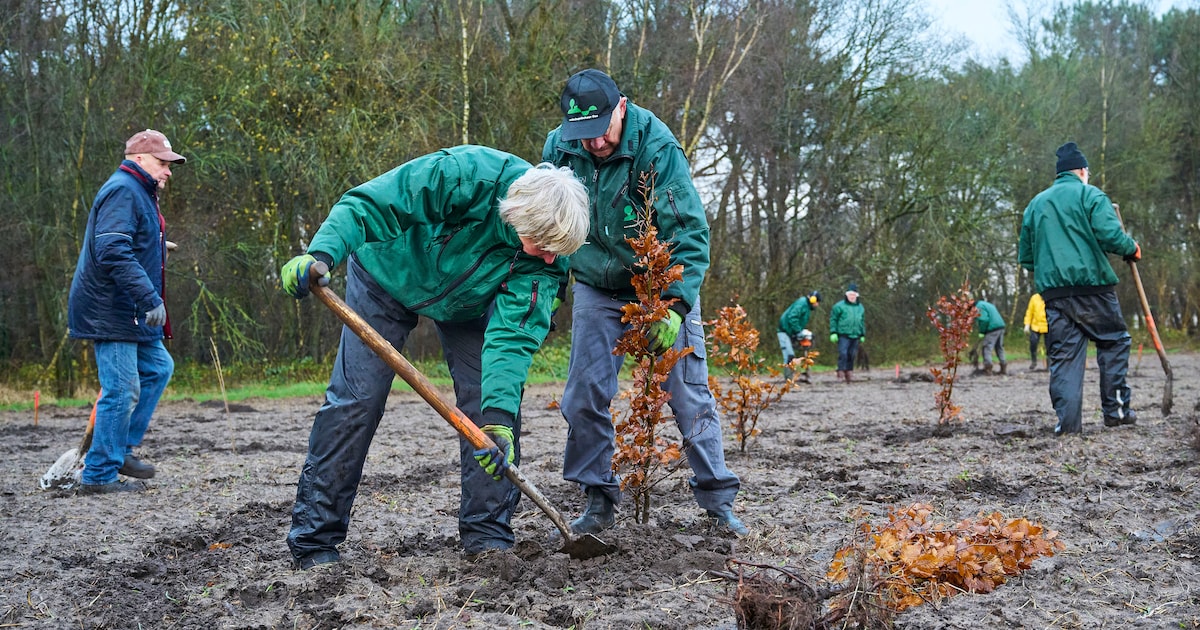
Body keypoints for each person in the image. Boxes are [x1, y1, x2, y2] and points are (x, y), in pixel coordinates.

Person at [280, 146, 590, 569]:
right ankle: (315, 540)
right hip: (386, 273)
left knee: (491, 414)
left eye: (560, 251)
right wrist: (321, 254)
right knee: (357, 401)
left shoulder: (548, 261)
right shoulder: (464, 175)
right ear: (517, 218)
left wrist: (497, 416)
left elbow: (512, 337)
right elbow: (370, 203)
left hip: (469, 304)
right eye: (545, 247)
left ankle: (488, 535)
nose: (553, 258)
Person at [542, 69, 747, 537]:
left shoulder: (657, 147)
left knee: (689, 394)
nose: (593, 144)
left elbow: (690, 233)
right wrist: (550, 295)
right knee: (584, 394)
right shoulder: (559, 147)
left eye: (600, 132)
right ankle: (597, 498)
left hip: (657, 282)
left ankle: (719, 504)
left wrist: (675, 306)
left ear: (621, 107)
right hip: (595, 282)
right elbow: (549, 225)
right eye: (583, 135)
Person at [67, 129, 185, 495]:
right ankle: (99, 475)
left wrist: (156, 245)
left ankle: (119, 451)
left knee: (159, 368)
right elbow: (113, 251)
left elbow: (125, 240)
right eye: (163, 162)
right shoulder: (123, 189)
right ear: (139, 159)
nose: (169, 171)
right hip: (113, 309)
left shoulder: (140, 192)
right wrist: (150, 297)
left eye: (170, 164)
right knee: (121, 388)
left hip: (129, 308)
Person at [1018, 141, 1140, 435]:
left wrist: (1053, 272)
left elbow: (1027, 259)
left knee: (1064, 359)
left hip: (1055, 296)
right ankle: (1116, 412)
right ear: (1083, 170)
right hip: (1094, 289)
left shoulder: (1035, 205)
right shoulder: (1091, 195)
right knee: (1113, 342)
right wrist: (1131, 247)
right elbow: (1111, 236)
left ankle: (1068, 425)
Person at [777, 291, 821, 382]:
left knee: (798, 352)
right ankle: (788, 379)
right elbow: (793, 317)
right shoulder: (802, 304)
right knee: (789, 355)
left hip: (790, 331)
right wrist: (799, 331)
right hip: (784, 331)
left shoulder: (806, 306)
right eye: (817, 302)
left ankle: (798, 374)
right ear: (813, 300)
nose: (817, 305)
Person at [828, 284, 865, 383]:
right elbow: (833, 319)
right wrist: (833, 332)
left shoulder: (860, 307)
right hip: (843, 334)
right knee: (843, 353)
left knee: (852, 354)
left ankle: (849, 372)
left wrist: (862, 334)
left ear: (856, 296)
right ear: (846, 295)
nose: (852, 297)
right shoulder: (839, 306)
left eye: (853, 295)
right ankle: (840, 372)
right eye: (850, 295)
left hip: (855, 334)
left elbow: (861, 321)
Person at [973, 299, 1007, 375]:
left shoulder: (979, 306)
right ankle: (1003, 367)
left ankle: (988, 369)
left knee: (987, 348)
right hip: (1001, 326)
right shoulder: (987, 304)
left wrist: (982, 332)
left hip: (992, 328)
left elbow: (984, 320)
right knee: (999, 347)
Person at [1023, 292, 1049, 371]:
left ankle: (1049, 364)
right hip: (1036, 326)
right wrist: (1027, 324)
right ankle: (1034, 361)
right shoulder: (1034, 298)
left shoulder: (1050, 296)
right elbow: (1029, 311)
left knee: (1049, 345)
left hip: (1048, 325)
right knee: (1033, 342)